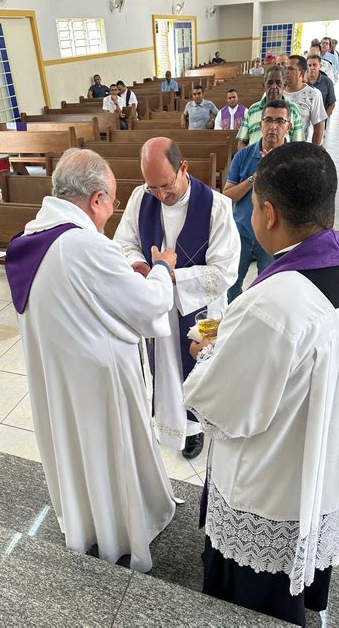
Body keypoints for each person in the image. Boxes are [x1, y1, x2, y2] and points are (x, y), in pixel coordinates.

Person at [184, 141, 339, 627]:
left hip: (271, 492)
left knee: (251, 608)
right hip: (328, 467)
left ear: (268, 213)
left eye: (253, 206)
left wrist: (206, 355)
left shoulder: (275, 302)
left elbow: (224, 408)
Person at [5, 148, 180, 573]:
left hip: (60, 379)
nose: (112, 212)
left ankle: (87, 524)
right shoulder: (82, 245)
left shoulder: (28, 238)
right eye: (112, 201)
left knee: (78, 452)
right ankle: (123, 532)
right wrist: (162, 269)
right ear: (97, 199)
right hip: (100, 385)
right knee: (107, 454)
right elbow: (146, 305)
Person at [114, 137, 240, 459]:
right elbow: (124, 243)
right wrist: (139, 265)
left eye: (166, 186)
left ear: (183, 168)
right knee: (163, 368)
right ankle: (167, 422)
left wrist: (172, 276)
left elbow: (226, 272)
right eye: (153, 187)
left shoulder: (217, 206)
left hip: (199, 309)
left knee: (196, 368)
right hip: (156, 305)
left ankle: (196, 429)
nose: (160, 195)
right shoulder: (140, 198)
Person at [225, 100, 291, 302]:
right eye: (269, 120)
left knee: (268, 291)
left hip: (274, 237)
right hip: (241, 233)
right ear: (260, 124)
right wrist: (255, 177)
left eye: (280, 121)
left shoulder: (294, 159)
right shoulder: (243, 156)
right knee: (231, 287)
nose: (273, 126)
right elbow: (227, 196)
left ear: (288, 126)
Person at [236, 66, 304, 149]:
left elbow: (298, 145)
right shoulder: (252, 110)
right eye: (270, 83)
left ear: (284, 85)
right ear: (264, 86)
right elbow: (242, 142)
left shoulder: (293, 109)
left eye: (278, 83)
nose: (274, 86)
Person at [284, 55, 327, 145]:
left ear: (301, 73)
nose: (286, 72)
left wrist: (313, 152)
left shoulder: (313, 94)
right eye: (285, 68)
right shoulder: (276, 92)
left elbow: (319, 126)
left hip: (301, 147)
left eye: (291, 69)